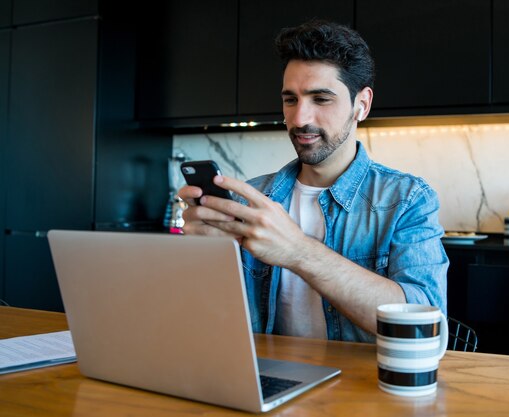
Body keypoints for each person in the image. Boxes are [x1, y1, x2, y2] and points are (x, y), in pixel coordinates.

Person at [179, 20, 448, 343]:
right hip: (265, 382)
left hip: (364, 389)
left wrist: (298, 251)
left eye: (320, 99)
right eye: (290, 100)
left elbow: (424, 326)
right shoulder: (249, 200)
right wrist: (201, 262)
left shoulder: (407, 199)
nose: (300, 118)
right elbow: (210, 323)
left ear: (361, 105)